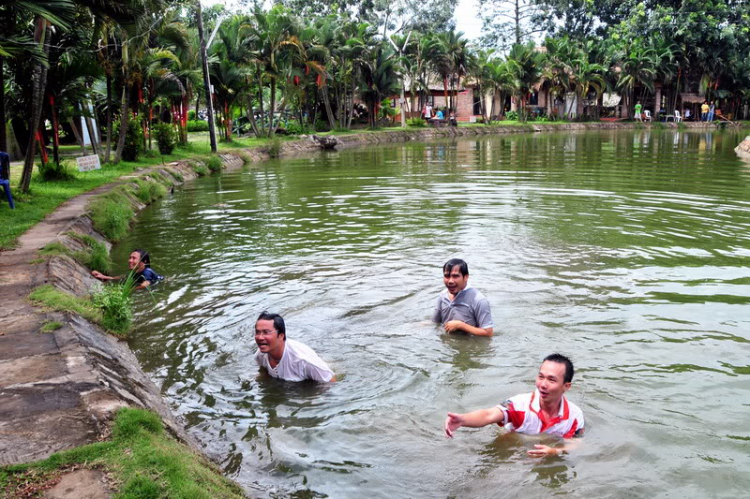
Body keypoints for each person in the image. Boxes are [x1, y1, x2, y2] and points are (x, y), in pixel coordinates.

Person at [444, 353, 584, 457]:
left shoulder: (575, 415)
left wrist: (554, 451)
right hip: (513, 446)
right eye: (541, 377)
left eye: (551, 380)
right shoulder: (520, 404)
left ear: (566, 386)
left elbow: (577, 443)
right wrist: (462, 420)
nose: (543, 385)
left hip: (545, 452)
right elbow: (489, 414)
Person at [254, 311, 336, 382]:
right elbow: (264, 372)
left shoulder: (303, 361)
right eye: (257, 332)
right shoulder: (260, 356)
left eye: (266, 332)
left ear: (281, 336)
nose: (260, 337)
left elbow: (331, 381)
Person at [432, 259, 493, 337]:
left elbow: (488, 333)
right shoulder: (442, 296)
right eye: (447, 276)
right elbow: (434, 323)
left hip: (470, 345)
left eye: (455, 276)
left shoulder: (479, 300)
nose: (450, 281)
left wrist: (461, 325)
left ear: (466, 277)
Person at [91, 249, 163, 290]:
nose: (130, 260)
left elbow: (145, 285)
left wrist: (127, 290)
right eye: (130, 257)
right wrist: (104, 276)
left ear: (144, 261)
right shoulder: (135, 271)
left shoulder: (147, 272)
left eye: (134, 258)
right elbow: (122, 277)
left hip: (160, 283)